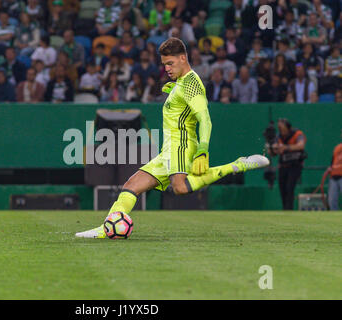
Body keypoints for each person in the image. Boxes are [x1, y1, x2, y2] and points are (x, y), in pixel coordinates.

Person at [76, 37, 269, 238]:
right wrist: (174, 89)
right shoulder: (181, 83)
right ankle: (105, 229)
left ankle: (236, 165)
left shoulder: (191, 84)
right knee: (131, 186)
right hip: (168, 149)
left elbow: (205, 119)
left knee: (180, 188)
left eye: (170, 63)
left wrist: (203, 149)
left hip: (181, 145)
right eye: (164, 64)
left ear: (183, 58)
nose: (167, 68)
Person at [268, 118, 307, 210]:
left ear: (287, 126)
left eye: (282, 126)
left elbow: (301, 145)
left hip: (295, 165)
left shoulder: (297, 133)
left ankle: (289, 209)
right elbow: (272, 153)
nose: (280, 128)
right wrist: (272, 148)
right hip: (283, 166)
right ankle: (285, 209)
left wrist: (286, 147)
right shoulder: (278, 136)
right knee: (282, 188)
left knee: (290, 187)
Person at [327, 135, 342, 210]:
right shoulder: (337, 147)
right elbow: (333, 161)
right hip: (334, 176)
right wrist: (330, 168)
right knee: (332, 200)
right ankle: (335, 218)